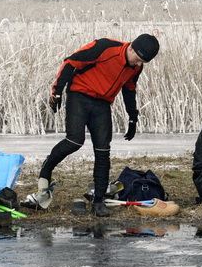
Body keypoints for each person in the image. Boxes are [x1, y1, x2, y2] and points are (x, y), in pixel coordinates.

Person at [23, 33, 160, 217]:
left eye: (143, 62)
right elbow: (71, 62)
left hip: (102, 103)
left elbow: (129, 89)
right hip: (79, 95)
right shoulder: (105, 47)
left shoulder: (136, 67)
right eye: (138, 58)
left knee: (103, 150)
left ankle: (99, 201)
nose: (138, 64)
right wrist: (57, 92)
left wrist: (132, 116)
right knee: (74, 141)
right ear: (131, 48)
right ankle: (46, 170)